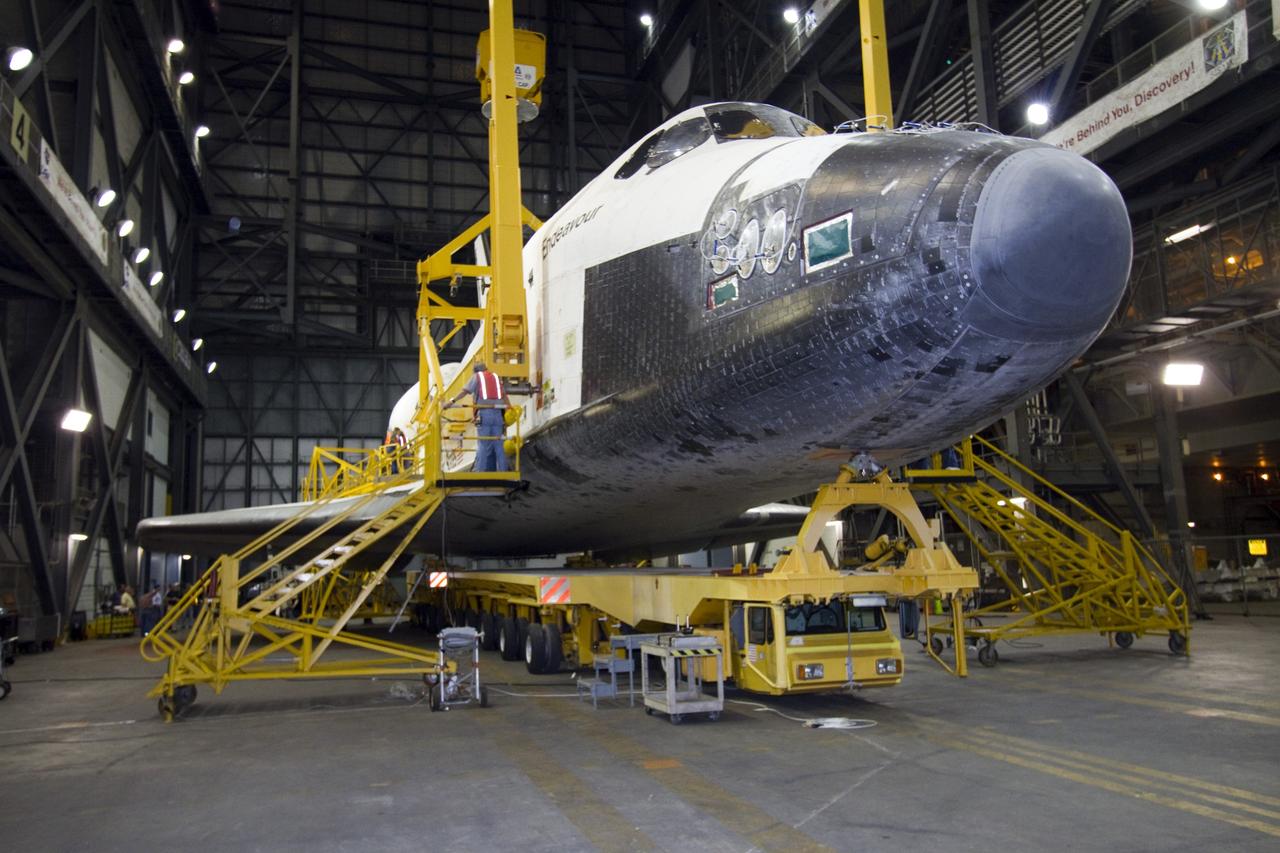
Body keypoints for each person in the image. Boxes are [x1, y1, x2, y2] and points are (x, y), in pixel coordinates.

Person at [446, 361, 510, 472]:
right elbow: (504, 395)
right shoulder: (495, 377)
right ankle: (503, 471)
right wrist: (510, 408)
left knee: (483, 444)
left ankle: (480, 472)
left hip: (485, 414)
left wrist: (451, 401)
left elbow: (464, 391)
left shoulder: (477, 377)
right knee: (499, 444)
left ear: (475, 371)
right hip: (498, 414)